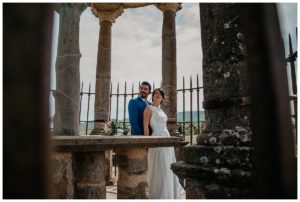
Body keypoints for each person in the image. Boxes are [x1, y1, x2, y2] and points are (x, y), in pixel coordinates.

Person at [143, 88, 185, 199]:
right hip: (156, 139)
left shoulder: (161, 111)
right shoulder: (148, 108)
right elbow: (145, 125)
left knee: (168, 165)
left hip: (166, 139)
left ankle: (169, 192)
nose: (157, 95)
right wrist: (147, 142)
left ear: (162, 98)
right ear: (152, 96)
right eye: (155, 93)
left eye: (160, 94)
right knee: (159, 165)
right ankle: (159, 194)